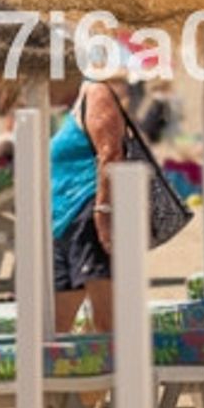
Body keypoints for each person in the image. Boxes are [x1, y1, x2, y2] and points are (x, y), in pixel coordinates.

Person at [49, 80, 131, 333]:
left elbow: (111, 152)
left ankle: (124, 371)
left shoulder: (94, 93)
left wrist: (103, 212)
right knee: (54, 327)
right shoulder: (66, 110)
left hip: (88, 216)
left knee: (107, 321)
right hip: (62, 224)